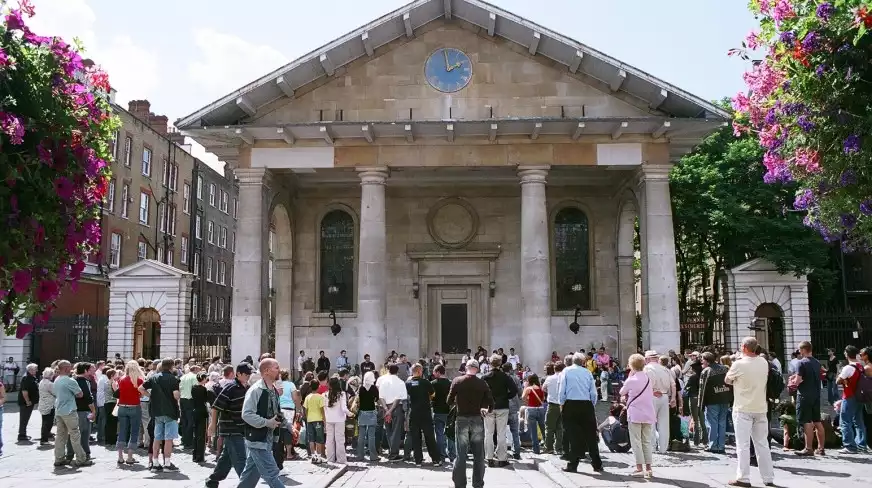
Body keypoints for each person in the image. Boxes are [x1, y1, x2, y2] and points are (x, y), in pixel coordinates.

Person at [724, 337, 775, 488]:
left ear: (745, 347)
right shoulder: (763, 362)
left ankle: (743, 477)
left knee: (743, 444)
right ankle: (768, 477)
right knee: (762, 443)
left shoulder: (738, 364)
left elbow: (727, 380)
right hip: (760, 407)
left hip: (742, 408)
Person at [237, 358, 288, 488]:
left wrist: (288, 426)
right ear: (266, 371)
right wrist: (266, 422)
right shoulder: (256, 390)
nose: (279, 370)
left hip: (267, 439)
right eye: (276, 367)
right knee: (272, 472)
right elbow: (246, 414)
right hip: (257, 439)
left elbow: (277, 413)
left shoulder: (274, 390)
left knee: (250, 475)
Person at [448, 359, 493, 488]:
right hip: (477, 419)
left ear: (466, 367)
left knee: (461, 454)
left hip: (462, 418)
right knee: (478, 454)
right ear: (477, 369)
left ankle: (460, 484)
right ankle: (477, 483)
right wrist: (485, 408)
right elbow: (491, 402)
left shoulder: (457, 381)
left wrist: (458, 402)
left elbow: (448, 400)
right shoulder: (482, 383)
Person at [206, 363, 252, 488]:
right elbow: (216, 407)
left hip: (241, 428)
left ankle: (212, 481)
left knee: (226, 459)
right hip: (231, 428)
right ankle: (246, 485)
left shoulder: (248, 388)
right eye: (246, 374)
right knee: (240, 459)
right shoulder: (230, 387)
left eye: (249, 374)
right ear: (238, 374)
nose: (248, 376)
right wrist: (212, 425)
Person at [558, 352, 603, 473]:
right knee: (591, 436)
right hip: (586, 404)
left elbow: (562, 390)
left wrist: (561, 404)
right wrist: (590, 405)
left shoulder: (566, 371)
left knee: (573, 435)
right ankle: (597, 464)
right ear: (583, 362)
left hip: (571, 404)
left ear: (573, 361)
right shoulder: (587, 372)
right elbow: (593, 393)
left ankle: (573, 464)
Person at [140, 358, 181, 472]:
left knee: (157, 438)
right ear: (171, 366)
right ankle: (167, 464)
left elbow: (141, 388)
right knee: (168, 438)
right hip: (170, 411)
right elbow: (176, 395)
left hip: (156, 411)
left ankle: (155, 463)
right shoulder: (173, 379)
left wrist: (150, 396)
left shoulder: (153, 377)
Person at [619, 354, 654, 477]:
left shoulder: (631, 379)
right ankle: (649, 468)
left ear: (631, 365)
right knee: (646, 441)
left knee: (636, 441)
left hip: (635, 413)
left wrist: (629, 377)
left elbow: (621, 392)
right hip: (648, 412)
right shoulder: (648, 378)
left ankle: (639, 468)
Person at [52, 360, 92, 467]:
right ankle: (81, 458)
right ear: (65, 368)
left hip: (59, 410)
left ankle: (59, 458)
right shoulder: (70, 381)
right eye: (70, 367)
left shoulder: (56, 380)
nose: (72, 369)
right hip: (69, 411)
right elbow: (80, 394)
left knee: (60, 436)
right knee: (75, 435)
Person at [481, 354, 518, 467]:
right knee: (501, 433)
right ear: (500, 363)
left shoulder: (485, 377)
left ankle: (489, 458)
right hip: (502, 406)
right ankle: (502, 458)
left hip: (489, 407)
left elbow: (481, 392)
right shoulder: (505, 377)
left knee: (488, 433)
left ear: (490, 363)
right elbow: (514, 390)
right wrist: (506, 397)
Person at [793, 341, 825, 456]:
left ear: (802, 350)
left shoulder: (801, 363)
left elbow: (797, 381)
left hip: (804, 395)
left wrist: (793, 381)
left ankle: (808, 448)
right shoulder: (817, 362)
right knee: (817, 421)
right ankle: (821, 448)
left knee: (806, 422)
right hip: (816, 394)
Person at [406, 363, 441, 466]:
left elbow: (407, 396)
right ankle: (435, 460)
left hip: (414, 412)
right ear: (419, 371)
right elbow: (433, 394)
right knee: (429, 436)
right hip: (425, 412)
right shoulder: (425, 382)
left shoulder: (407, 383)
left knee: (416, 437)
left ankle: (418, 460)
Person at [699, 351, 732, 454]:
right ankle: (721, 446)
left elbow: (702, 389)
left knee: (712, 423)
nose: (701, 361)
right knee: (721, 422)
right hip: (724, 399)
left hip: (712, 400)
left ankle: (713, 445)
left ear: (707, 361)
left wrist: (701, 404)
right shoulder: (725, 368)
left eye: (702, 359)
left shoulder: (706, 371)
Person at [836, 345, 868, 454]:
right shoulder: (860, 366)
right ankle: (861, 444)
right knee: (858, 421)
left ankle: (850, 445)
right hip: (860, 396)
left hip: (849, 396)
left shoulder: (848, 368)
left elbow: (838, 381)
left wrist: (843, 380)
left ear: (846, 354)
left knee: (845, 420)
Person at [643, 351, 674, 454]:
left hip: (651, 395)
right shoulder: (665, 369)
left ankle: (652, 447)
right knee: (664, 423)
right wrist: (673, 398)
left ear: (647, 359)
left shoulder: (647, 369)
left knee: (650, 423)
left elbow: (645, 384)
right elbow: (673, 385)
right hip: (664, 396)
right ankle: (663, 448)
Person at [377, 363, 409, 462]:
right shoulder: (400, 382)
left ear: (388, 370)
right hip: (396, 408)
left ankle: (392, 451)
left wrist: (386, 409)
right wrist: (390, 410)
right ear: (397, 371)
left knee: (389, 431)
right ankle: (393, 454)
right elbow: (399, 398)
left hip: (385, 407)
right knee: (395, 431)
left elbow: (380, 397)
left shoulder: (383, 381)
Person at [116, 360, 144, 465]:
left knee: (122, 431)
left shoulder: (121, 379)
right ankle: (130, 456)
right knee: (134, 431)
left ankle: (120, 457)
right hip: (134, 407)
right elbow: (141, 394)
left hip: (122, 407)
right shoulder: (139, 380)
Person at [323, 377, 352, 464]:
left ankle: (330, 459)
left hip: (329, 419)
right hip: (339, 419)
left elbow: (324, 408)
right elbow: (344, 408)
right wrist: (350, 414)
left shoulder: (325, 395)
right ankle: (341, 459)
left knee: (329, 440)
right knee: (339, 440)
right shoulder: (342, 394)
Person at [431, 365, 455, 462]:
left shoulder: (433, 383)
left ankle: (441, 455)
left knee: (439, 434)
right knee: (450, 433)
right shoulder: (451, 383)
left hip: (438, 411)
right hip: (449, 411)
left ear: (438, 372)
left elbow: (431, 398)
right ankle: (452, 454)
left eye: (434, 372)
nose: (433, 373)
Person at [356, 371, 380, 462]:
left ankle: (360, 455)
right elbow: (377, 398)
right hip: (371, 412)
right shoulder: (373, 388)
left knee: (361, 436)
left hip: (362, 412)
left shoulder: (361, 388)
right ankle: (373, 456)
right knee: (371, 436)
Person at [277, 369, 300, 460]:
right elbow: (295, 398)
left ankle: (280, 452)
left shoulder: (278, 384)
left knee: (280, 430)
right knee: (288, 430)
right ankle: (289, 453)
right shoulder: (291, 385)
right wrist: (298, 408)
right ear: (287, 376)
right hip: (289, 409)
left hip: (279, 409)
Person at [303, 377, 327, 463]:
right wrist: (324, 420)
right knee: (319, 439)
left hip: (310, 420)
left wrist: (306, 418)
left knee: (311, 439)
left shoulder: (307, 397)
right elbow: (322, 410)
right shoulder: (320, 397)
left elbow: (305, 409)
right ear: (318, 387)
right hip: (318, 420)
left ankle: (313, 456)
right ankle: (319, 457)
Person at [522, 374, 546, 454]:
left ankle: (536, 450)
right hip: (540, 409)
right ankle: (547, 446)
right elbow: (543, 399)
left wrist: (527, 402)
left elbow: (523, 397)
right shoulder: (540, 388)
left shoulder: (528, 388)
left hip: (531, 409)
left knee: (533, 431)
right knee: (543, 429)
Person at [191, 372, 212, 462]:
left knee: (195, 434)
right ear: (203, 379)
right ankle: (200, 456)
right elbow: (206, 399)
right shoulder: (203, 389)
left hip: (195, 411)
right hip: (202, 411)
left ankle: (195, 455)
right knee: (201, 435)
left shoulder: (193, 388)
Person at [543, 362, 563, 454]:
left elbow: (543, 389)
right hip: (562, 405)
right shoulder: (564, 378)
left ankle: (549, 447)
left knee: (549, 427)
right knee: (560, 428)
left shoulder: (549, 378)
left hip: (552, 404)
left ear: (554, 369)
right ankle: (558, 448)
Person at [18, 363, 39, 441]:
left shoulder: (31, 377)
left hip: (30, 402)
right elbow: (24, 391)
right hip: (25, 402)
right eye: (35, 369)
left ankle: (23, 433)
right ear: (30, 370)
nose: (37, 371)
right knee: (24, 418)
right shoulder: (26, 378)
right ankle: (22, 435)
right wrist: (27, 401)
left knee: (26, 418)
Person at [37, 367, 57, 445]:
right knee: (48, 422)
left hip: (43, 404)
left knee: (45, 422)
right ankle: (44, 439)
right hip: (49, 405)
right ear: (50, 375)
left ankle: (44, 437)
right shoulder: (49, 383)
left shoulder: (42, 381)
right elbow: (55, 393)